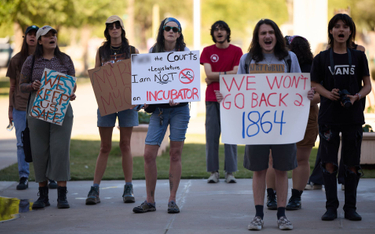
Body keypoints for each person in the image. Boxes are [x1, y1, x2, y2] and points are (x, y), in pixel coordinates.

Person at [217, 19, 314, 230]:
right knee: (259, 170)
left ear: (276, 35)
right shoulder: (247, 60)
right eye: (263, 33)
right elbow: (239, 91)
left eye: (271, 32)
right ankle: (258, 215)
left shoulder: (289, 58)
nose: (267, 36)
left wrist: (306, 93)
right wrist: (225, 96)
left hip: (283, 125)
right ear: (257, 37)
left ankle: (282, 215)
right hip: (255, 126)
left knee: (281, 170)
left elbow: (297, 86)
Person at [311, 13, 371, 221]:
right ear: (331, 31)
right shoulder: (321, 58)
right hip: (328, 117)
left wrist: (356, 97)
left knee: (352, 164)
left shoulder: (358, 56)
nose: (341, 30)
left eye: (345, 27)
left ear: (350, 31)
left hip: (353, 116)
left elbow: (368, 86)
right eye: (337, 26)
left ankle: (351, 208)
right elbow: (315, 83)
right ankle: (331, 208)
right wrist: (328, 94)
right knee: (329, 163)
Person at [132, 17, 190, 214]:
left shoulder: (185, 53)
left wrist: (179, 95)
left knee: (175, 153)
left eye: (176, 29)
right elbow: (146, 81)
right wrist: (144, 100)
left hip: (180, 109)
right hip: (158, 110)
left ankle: (172, 200)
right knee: (149, 154)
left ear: (180, 33)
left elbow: (188, 82)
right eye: (168, 28)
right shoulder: (153, 52)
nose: (171, 31)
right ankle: (150, 200)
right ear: (162, 31)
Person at [19, 25, 77, 209]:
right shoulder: (31, 60)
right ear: (40, 40)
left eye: (54, 34)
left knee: (60, 150)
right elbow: (21, 85)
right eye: (47, 35)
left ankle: (62, 195)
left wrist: (71, 92)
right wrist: (31, 86)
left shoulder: (65, 59)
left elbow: (72, 83)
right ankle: (42, 195)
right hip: (38, 107)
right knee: (39, 150)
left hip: (61, 108)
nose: (52, 37)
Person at [85, 15, 139, 205]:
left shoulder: (132, 50)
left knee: (125, 144)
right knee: (104, 146)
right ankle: (95, 188)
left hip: (127, 103)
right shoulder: (101, 51)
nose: (114, 29)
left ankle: (128, 187)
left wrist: (137, 99)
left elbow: (139, 76)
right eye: (111, 27)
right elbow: (96, 77)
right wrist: (104, 70)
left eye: (117, 26)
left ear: (122, 29)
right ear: (107, 31)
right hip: (107, 103)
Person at [265, 35, 319, 210]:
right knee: (276, 158)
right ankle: (278, 197)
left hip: (304, 115)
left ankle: (292, 197)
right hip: (279, 114)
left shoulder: (312, 69)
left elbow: (319, 95)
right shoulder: (273, 66)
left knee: (299, 158)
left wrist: (297, 101)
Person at [200, 20, 243, 184]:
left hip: (231, 99)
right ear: (213, 34)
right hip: (211, 98)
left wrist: (215, 76)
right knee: (211, 137)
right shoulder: (207, 51)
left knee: (230, 136)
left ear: (227, 32)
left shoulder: (237, 50)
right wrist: (227, 73)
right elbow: (208, 73)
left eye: (222, 29)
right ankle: (213, 172)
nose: (219, 32)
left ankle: (230, 173)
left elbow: (236, 72)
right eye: (216, 30)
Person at [6, 25, 38, 190]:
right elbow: (12, 86)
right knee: (21, 143)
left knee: (42, 142)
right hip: (19, 106)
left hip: (39, 106)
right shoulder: (16, 60)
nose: (32, 37)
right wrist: (10, 109)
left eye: (35, 34)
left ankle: (47, 176)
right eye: (29, 34)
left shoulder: (44, 59)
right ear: (25, 38)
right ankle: (23, 177)